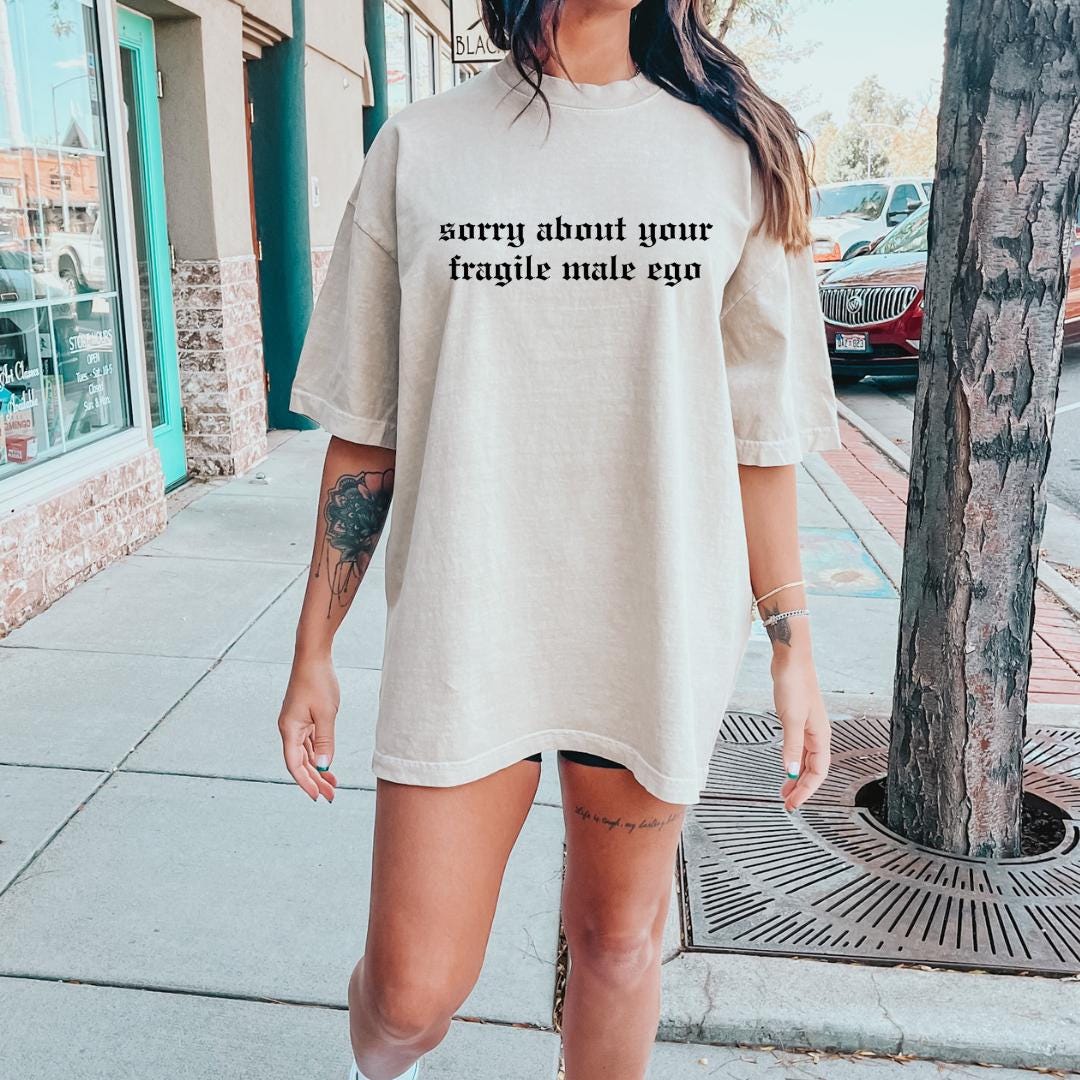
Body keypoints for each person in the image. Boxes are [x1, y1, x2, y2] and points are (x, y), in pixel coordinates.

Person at [276, 0, 841, 1075]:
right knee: (408, 993)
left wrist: (791, 644)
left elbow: (759, 436)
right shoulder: (424, 145)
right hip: (467, 613)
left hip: (656, 614)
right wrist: (316, 648)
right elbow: (366, 428)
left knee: (620, 943)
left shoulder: (738, 155)